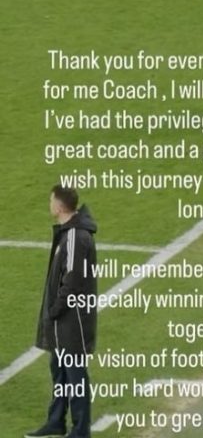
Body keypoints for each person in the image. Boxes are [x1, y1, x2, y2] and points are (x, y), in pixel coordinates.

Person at [27, 186, 97, 438]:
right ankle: (56, 420)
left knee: (75, 376)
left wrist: (55, 309)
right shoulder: (69, 232)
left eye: (51, 201)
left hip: (72, 320)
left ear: (59, 206)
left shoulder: (76, 236)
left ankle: (81, 430)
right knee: (59, 371)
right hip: (63, 321)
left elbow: (73, 280)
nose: (49, 204)